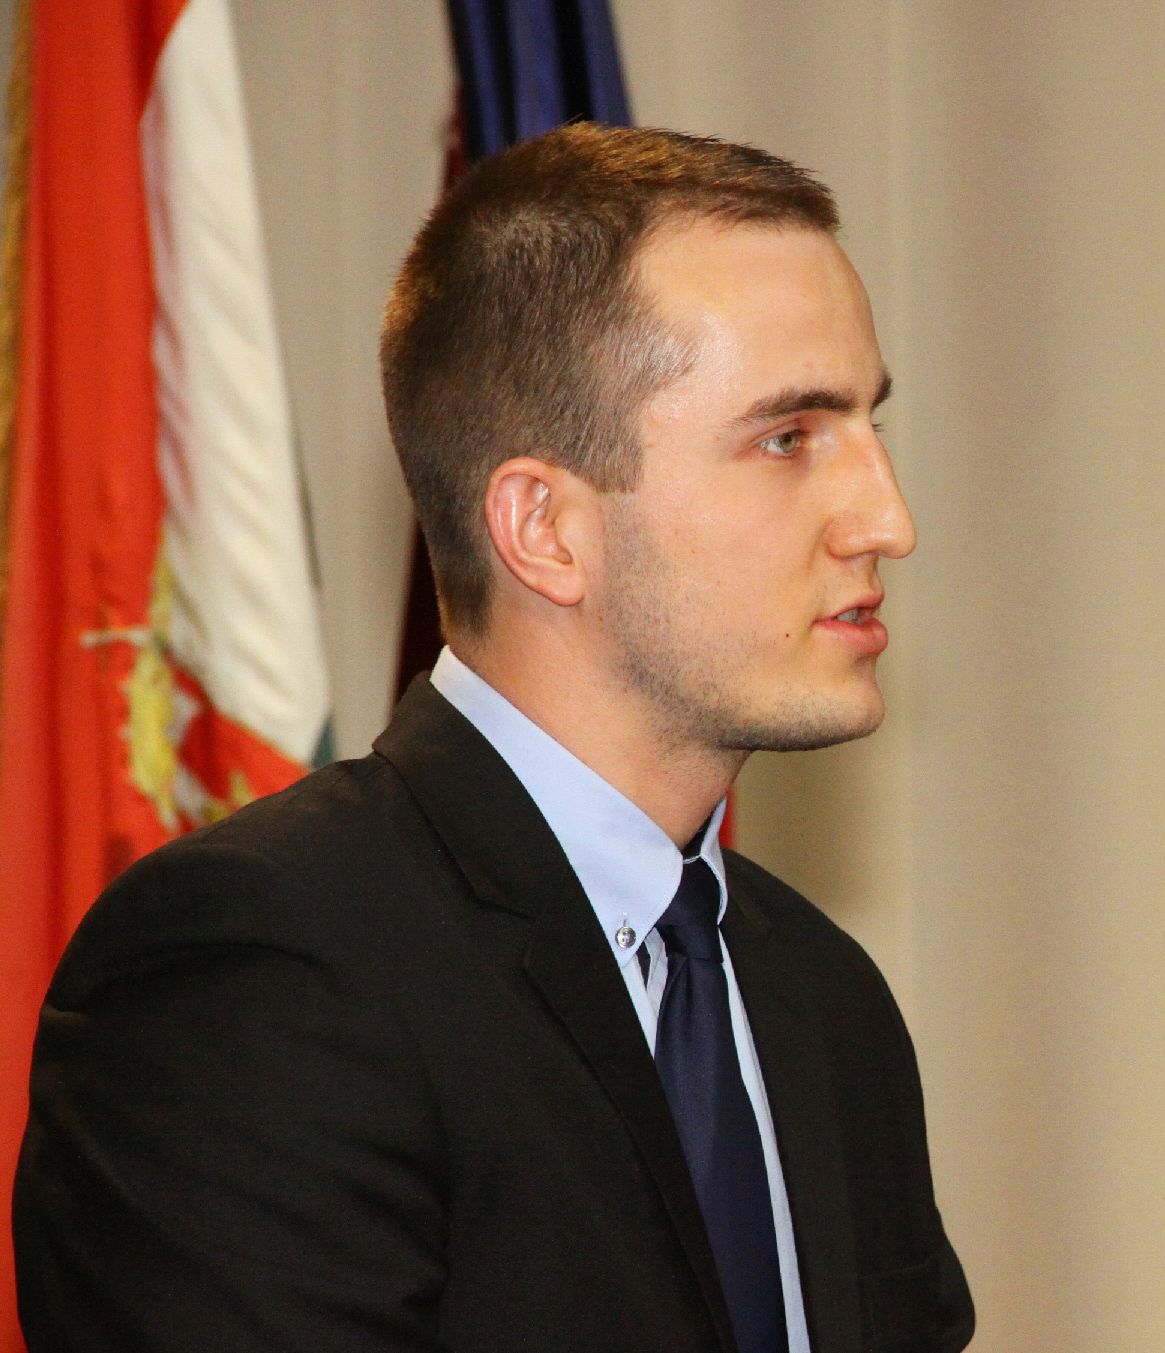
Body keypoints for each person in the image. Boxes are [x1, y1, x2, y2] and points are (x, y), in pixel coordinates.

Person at [13, 123, 973, 1353]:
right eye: (788, 438)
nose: (887, 519)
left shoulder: (824, 1000)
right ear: (544, 529)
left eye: (871, 428)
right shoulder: (265, 964)